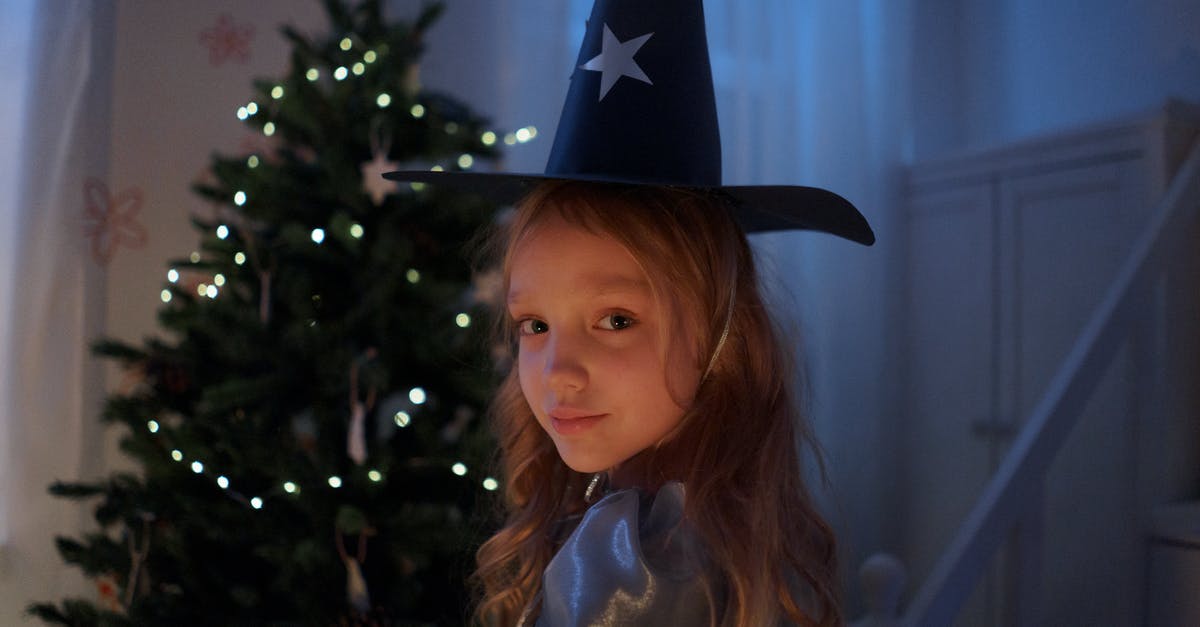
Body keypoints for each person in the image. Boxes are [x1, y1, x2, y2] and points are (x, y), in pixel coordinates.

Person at [385, 1, 874, 624]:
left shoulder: (636, 569)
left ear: (723, 336)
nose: (558, 372)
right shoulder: (688, 522)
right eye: (534, 325)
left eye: (615, 320)